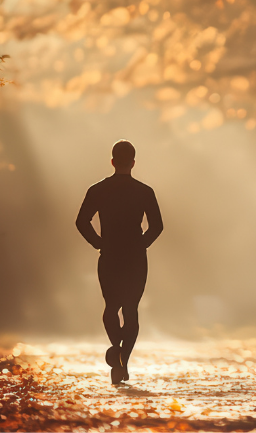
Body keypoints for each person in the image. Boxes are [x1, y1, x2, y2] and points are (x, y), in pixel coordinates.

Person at [75, 139, 164, 385]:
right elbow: (157, 226)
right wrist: (141, 244)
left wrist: (99, 243)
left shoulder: (98, 190)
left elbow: (81, 221)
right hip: (135, 258)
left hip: (110, 256)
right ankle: (123, 360)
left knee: (111, 306)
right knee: (131, 309)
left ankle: (116, 349)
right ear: (133, 163)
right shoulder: (145, 191)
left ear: (112, 161)